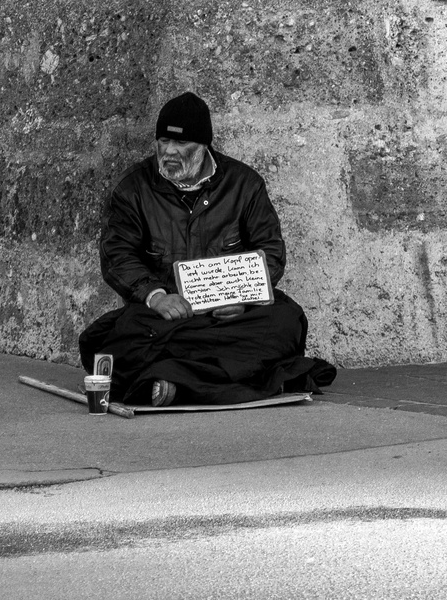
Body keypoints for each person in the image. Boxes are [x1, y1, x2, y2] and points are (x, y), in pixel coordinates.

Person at [79, 91, 336, 406]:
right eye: (163, 142)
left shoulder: (244, 185)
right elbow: (118, 256)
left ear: (203, 146)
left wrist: (241, 296)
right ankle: (225, 380)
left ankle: (174, 381)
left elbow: (270, 251)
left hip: (230, 316)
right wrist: (156, 296)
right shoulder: (133, 189)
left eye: (182, 145)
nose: (170, 152)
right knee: (112, 339)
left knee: (285, 321)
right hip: (165, 318)